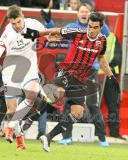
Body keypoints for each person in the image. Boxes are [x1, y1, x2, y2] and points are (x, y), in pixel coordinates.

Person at [23, 12, 119, 152]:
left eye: (95, 27)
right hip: (67, 71)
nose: (91, 30)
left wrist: (111, 76)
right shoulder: (78, 32)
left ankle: (48, 137)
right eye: (90, 26)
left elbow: (102, 60)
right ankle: (29, 119)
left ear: (101, 27)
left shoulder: (102, 42)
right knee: (57, 94)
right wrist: (38, 34)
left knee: (78, 113)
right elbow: (56, 30)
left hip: (81, 80)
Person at [0, 5, 46, 150]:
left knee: (32, 95)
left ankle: (10, 126)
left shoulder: (34, 24)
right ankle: (19, 138)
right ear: (9, 21)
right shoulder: (7, 33)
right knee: (12, 111)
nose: (16, 26)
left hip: (29, 69)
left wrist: (53, 34)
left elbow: (46, 34)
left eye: (19, 22)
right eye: (13, 23)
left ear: (23, 16)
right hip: (11, 72)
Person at [41, 3, 110, 147]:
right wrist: (47, 24)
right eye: (81, 11)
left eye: (87, 11)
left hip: (89, 74)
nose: (84, 14)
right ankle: (66, 137)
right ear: (77, 14)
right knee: (64, 102)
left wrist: (109, 74)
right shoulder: (74, 28)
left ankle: (102, 138)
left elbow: (103, 43)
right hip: (70, 70)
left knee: (89, 107)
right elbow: (58, 33)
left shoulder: (101, 35)